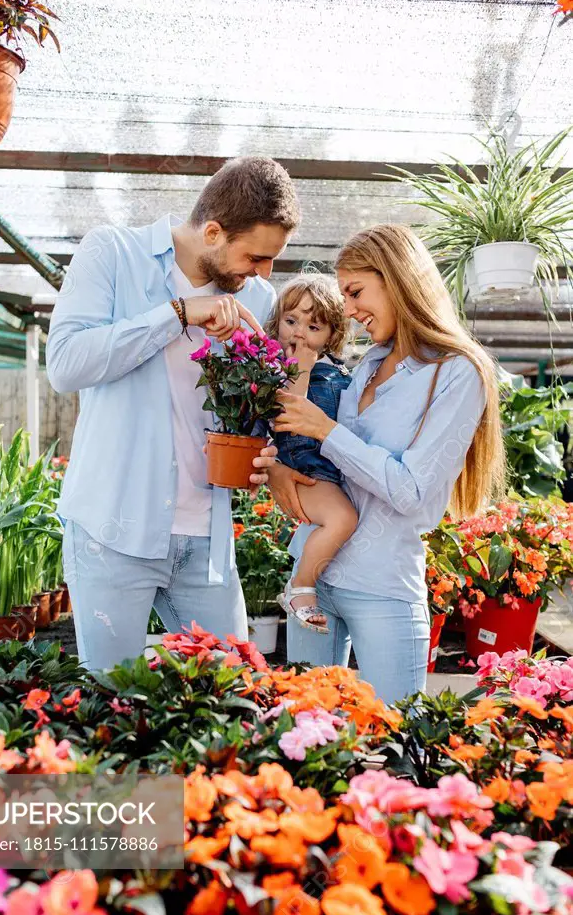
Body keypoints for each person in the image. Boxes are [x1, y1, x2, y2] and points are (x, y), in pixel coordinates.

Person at [46, 157, 300, 670]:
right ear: (212, 232)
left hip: (206, 538)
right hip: (113, 531)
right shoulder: (113, 253)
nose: (265, 272)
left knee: (234, 696)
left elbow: (252, 402)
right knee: (111, 700)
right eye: (257, 256)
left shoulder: (254, 294)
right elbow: (66, 364)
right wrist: (178, 315)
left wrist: (261, 440)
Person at [270, 224, 506, 704]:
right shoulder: (368, 364)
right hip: (313, 578)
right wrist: (277, 466)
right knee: (304, 743)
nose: (349, 310)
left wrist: (326, 430)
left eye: (356, 292)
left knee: (403, 742)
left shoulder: (457, 371)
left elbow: (412, 492)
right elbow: (322, 458)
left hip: (382, 586)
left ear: (397, 278)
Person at [263, 274, 357, 632]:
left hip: (327, 467)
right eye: (291, 321)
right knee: (342, 519)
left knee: (342, 518)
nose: (299, 333)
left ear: (332, 336)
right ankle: (300, 588)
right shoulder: (277, 368)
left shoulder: (338, 371)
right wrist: (299, 369)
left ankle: (306, 582)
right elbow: (288, 413)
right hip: (303, 466)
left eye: (313, 326)